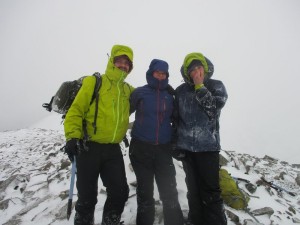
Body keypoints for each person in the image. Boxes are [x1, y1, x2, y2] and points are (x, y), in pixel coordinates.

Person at [64, 44, 135, 225]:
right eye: (120, 60)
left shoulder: (128, 90)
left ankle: (110, 221)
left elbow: (148, 97)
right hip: (89, 148)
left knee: (119, 193)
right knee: (87, 198)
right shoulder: (94, 82)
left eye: (127, 63)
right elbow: (76, 110)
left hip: (112, 150)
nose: (123, 65)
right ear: (112, 61)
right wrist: (72, 136)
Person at [173, 52, 228, 225]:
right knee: (193, 191)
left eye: (199, 67)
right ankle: (194, 221)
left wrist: (200, 86)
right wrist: (176, 145)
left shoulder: (215, 86)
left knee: (210, 192)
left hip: (208, 148)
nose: (196, 72)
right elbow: (175, 119)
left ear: (205, 68)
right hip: (187, 151)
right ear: (186, 73)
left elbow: (213, 108)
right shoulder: (180, 91)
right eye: (192, 69)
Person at [129, 59, 184, 225]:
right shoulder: (140, 93)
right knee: (145, 193)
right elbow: (121, 111)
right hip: (141, 149)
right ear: (151, 73)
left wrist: (175, 142)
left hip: (163, 150)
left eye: (163, 74)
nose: (160, 76)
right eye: (157, 73)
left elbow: (177, 120)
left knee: (169, 192)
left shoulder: (170, 95)